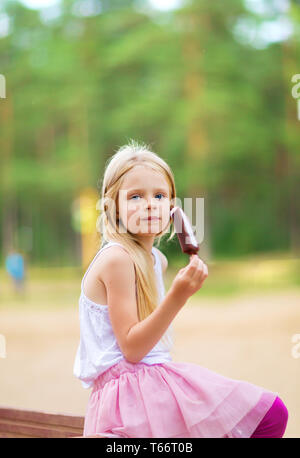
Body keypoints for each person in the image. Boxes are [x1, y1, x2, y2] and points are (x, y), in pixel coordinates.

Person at [73, 140, 288, 438]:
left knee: (270, 414)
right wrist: (178, 295)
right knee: (271, 415)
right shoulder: (117, 259)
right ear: (113, 208)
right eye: (135, 196)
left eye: (159, 195)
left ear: (172, 209)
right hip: (126, 399)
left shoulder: (156, 261)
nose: (150, 204)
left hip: (151, 385)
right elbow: (133, 349)